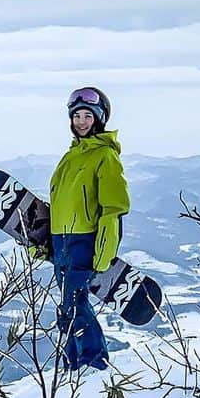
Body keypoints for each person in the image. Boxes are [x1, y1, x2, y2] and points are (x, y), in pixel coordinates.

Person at [43, 87, 130, 371]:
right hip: (62, 243)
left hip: (85, 242)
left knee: (73, 305)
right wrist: (43, 242)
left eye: (87, 115)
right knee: (68, 306)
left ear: (99, 118)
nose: (81, 121)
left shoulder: (105, 156)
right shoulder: (70, 158)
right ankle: (72, 363)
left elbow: (113, 208)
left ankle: (94, 362)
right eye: (76, 115)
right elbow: (59, 205)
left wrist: (104, 253)